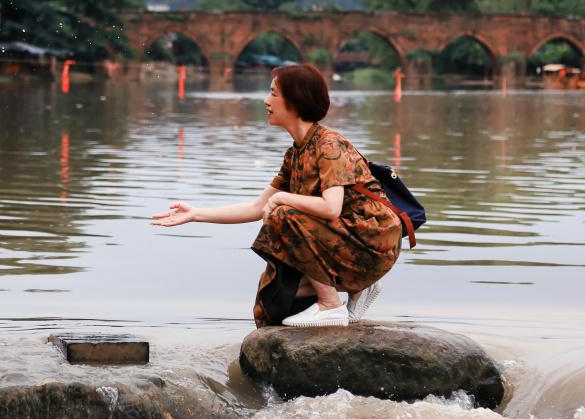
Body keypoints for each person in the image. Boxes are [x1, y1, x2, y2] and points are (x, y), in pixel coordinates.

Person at [151, 63, 402, 328]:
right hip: (343, 239)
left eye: (273, 93)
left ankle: (330, 304)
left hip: (372, 242)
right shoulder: (295, 154)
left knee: (284, 214)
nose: (266, 100)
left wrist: (284, 199)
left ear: (295, 100)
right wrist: (196, 214)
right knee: (270, 304)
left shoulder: (329, 145)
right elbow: (258, 207)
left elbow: (331, 208)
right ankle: (357, 290)